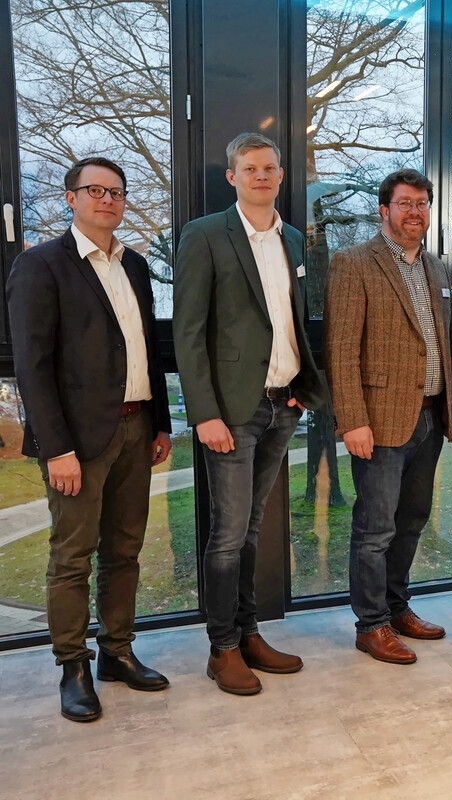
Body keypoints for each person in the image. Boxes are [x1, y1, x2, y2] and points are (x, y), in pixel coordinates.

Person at [7, 157, 173, 721]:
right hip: (76, 441)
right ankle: (73, 666)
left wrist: (160, 423)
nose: (107, 200)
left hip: (136, 428)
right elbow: (32, 366)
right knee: (72, 556)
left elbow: (148, 348)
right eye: (95, 190)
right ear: (70, 198)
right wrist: (56, 448)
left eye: (116, 192)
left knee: (125, 551)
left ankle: (117, 653)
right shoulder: (41, 266)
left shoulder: (136, 266)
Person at [173, 133, 327, 695]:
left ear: (281, 176)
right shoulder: (205, 235)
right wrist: (204, 414)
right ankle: (222, 649)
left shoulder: (294, 240)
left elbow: (297, 320)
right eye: (250, 168)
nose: (261, 176)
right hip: (231, 412)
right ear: (232, 177)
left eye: (269, 168)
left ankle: (249, 632)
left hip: (282, 403)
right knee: (228, 533)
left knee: (252, 528)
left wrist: (302, 388)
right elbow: (188, 332)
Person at [324, 168, 452, 665]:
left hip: (430, 417)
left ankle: (396, 607)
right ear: (383, 210)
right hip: (379, 421)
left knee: (411, 521)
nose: (415, 212)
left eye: (422, 204)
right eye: (405, 203)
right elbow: (341, 350)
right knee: (375, 529)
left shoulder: (436, 268)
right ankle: (371, 625)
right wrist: (352, 420)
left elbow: (447, 343)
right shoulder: (353, 263)